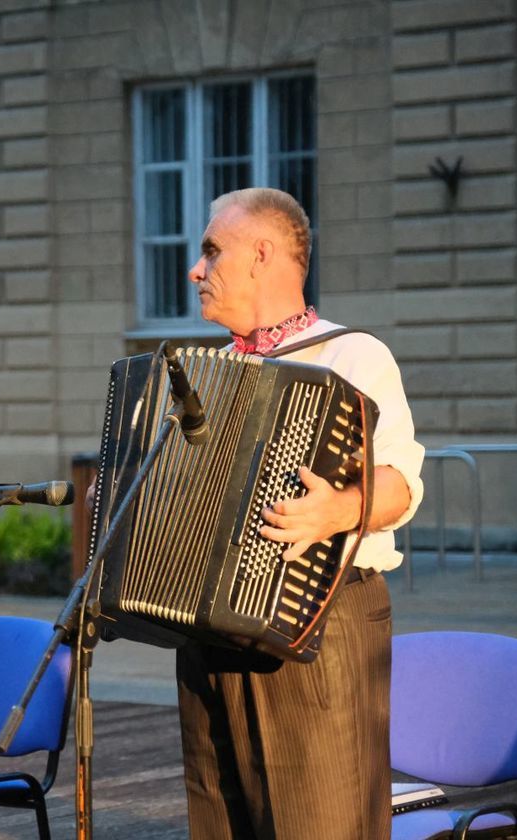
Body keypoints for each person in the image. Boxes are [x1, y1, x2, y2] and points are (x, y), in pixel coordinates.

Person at [175, 187, 425, 839]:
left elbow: (400, 486)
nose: (196, 271)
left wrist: (337, 509)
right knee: (221, 818)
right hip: (214, 630)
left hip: (319, 623)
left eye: (210, 251)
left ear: (261, 254)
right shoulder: (208, 374)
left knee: (322, 821)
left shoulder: (351, 355)